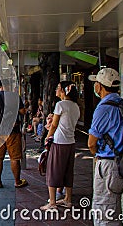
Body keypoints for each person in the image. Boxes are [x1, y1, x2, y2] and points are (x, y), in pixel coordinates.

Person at [87, 68, 123, 225]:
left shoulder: (103, 108)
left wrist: (96, 154)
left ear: (100, 86)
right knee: (114, 209)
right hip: (121, 162)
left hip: (108, 164)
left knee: (104, 210)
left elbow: (91, 142)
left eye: (96, 83)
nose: (95, 86)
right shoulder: (121, 103)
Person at [40, 81, 80, 211]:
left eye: (58, 88)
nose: (56, 90)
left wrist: (47, 136)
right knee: (68, 171)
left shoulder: (60, 105)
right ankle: (68, 199)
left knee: (53, 171)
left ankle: (52, 202)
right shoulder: (75, 106)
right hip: (71, 142)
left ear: (63, 90)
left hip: (59, 142)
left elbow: (55, 124)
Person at [0, 79, 28, 188]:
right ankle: (17, 182)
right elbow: (23, 112)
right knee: (14, 158)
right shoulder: (15, 96)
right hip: (13, 132)